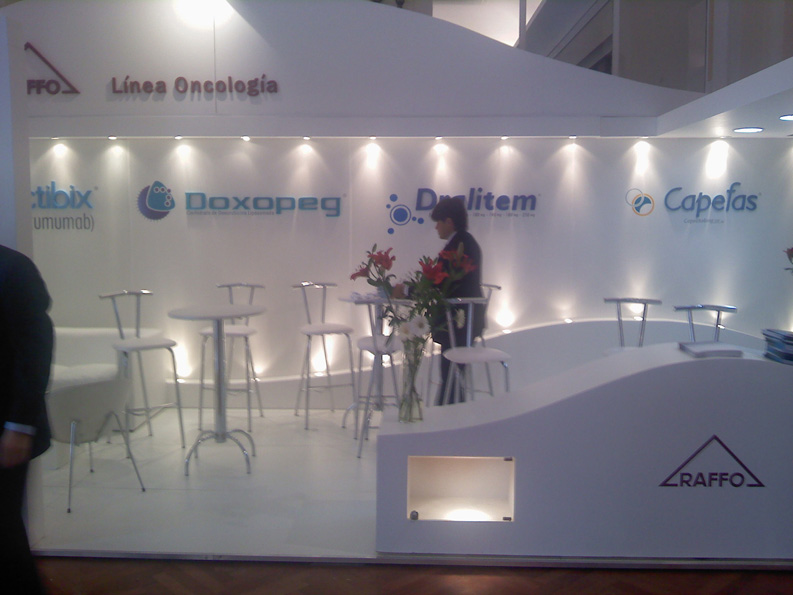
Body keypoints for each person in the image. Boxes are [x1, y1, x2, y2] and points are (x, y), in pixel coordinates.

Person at [0, 244, 54, 594]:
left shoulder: (12, 268)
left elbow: (35, 350)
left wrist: (19, 426)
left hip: (6, 428)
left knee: (4, 529)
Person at [395, 197, 483, 405]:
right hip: (464, 320)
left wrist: (406, 290)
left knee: (450, 372)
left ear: (449, 221)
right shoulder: (464, 242)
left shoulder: (459, 247)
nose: (436, 228)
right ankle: (450, 410)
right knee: (451, 373)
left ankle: (448, 413)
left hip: (460, 323)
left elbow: (439, 285)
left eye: (438, 222)